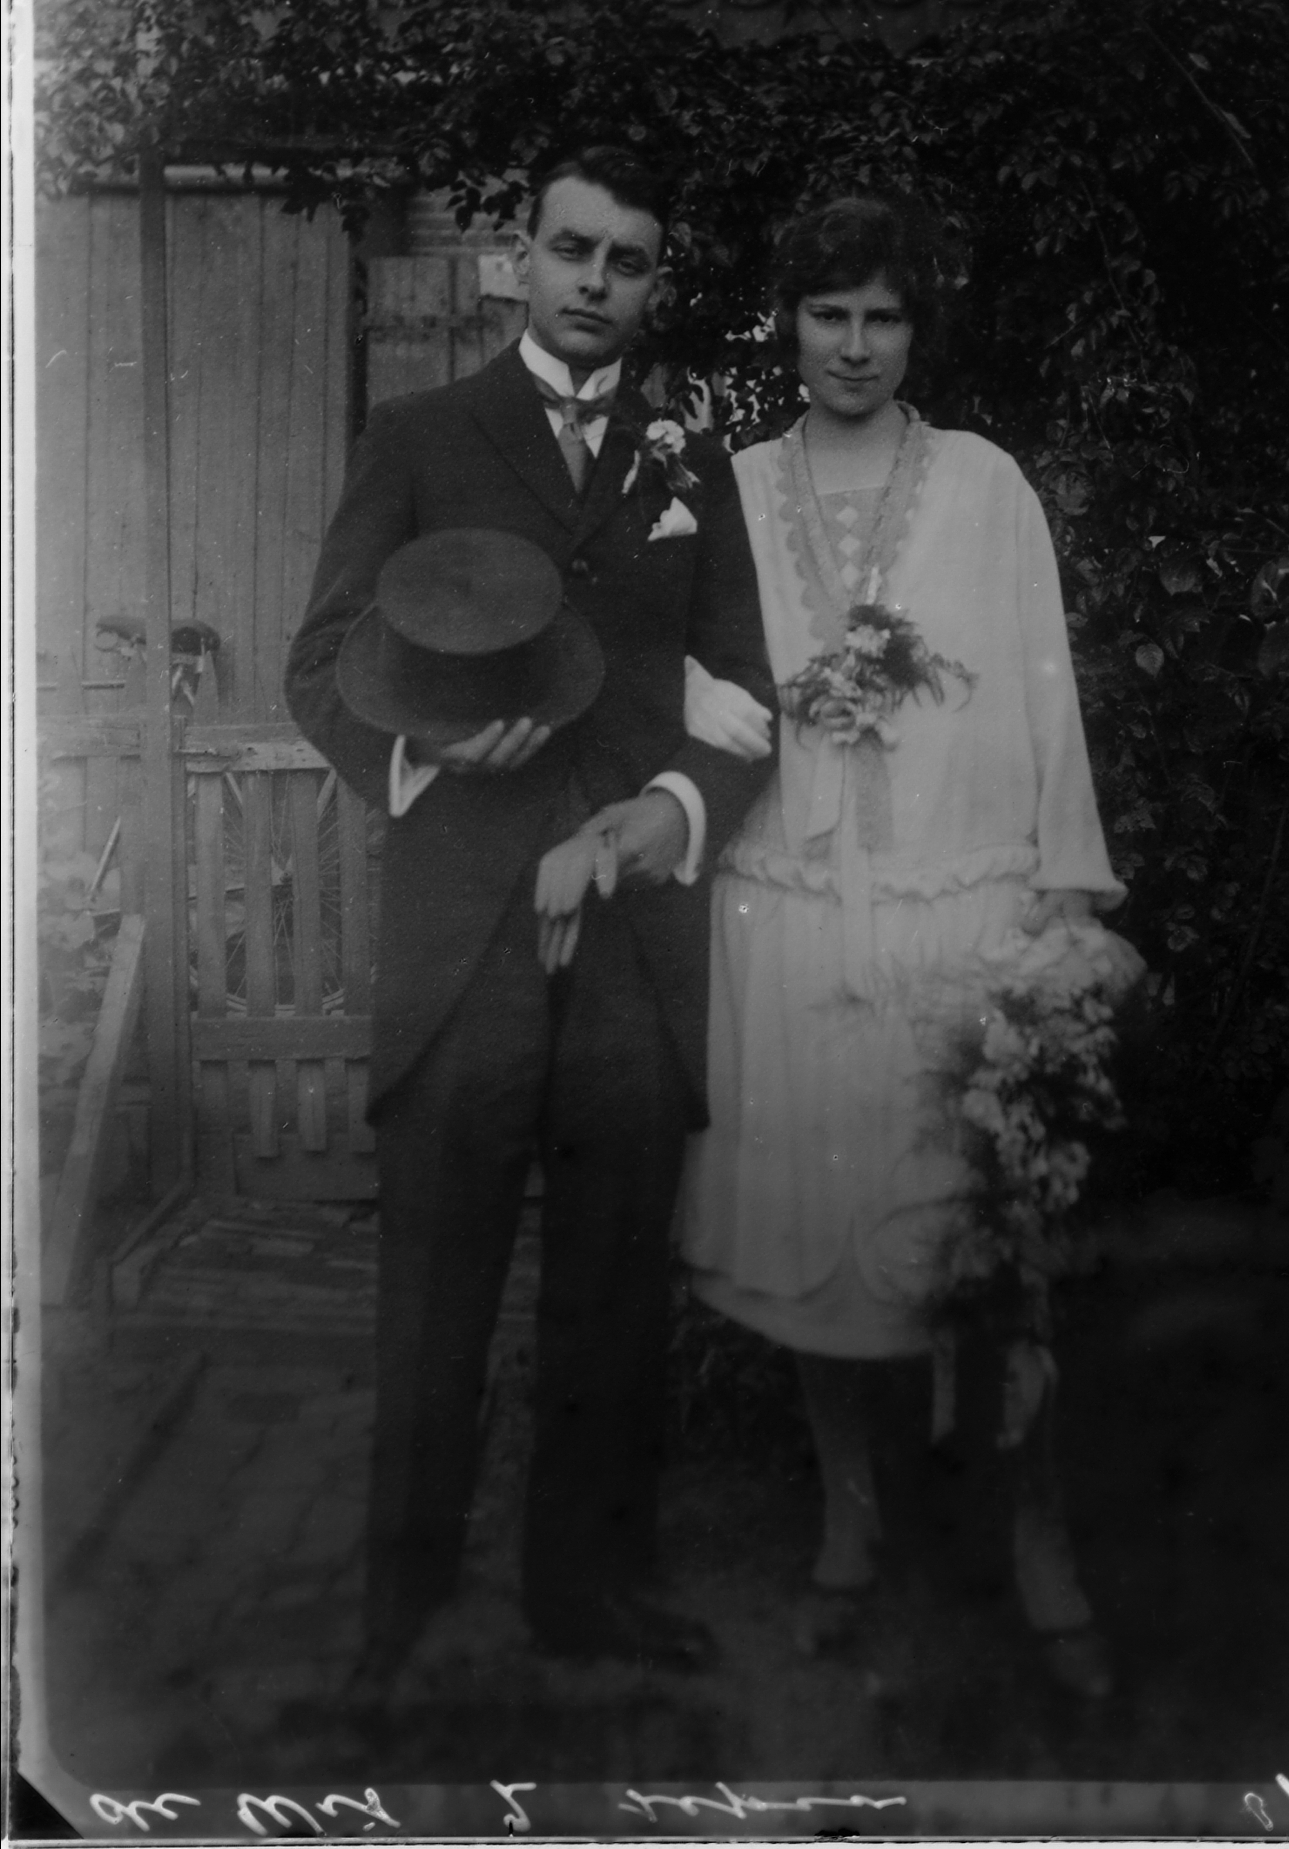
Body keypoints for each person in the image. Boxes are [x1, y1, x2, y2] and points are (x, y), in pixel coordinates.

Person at [286, 146, 776, 1684]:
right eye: (573, 249)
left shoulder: (690, 461)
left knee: (615, 1285)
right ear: (520, 260)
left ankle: (591, 1588)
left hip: (631, 930)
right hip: (467, 933)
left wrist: (671, 809)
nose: (594, 281)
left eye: (627, 260)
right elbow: (322, 665)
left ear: (654, 283)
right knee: (438, 1273)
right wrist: (426, 752)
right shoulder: (423, 436)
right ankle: (402, 1594)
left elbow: (747, 690)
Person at [678, 195, 1127, 1696]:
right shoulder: (735, 488)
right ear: (789, 324)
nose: (856, 346)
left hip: (962, 915)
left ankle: (1039, 1540)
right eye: (830, 315)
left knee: (993, 1251)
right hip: (795, 917)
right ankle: (849, 1525)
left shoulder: (988, 485)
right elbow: (675, 671)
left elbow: (1046, 691)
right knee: (823, 1255)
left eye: (884, 318)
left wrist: (1067, 896)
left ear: (918, 331)